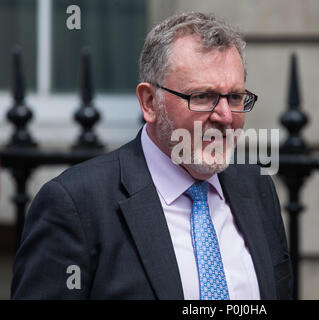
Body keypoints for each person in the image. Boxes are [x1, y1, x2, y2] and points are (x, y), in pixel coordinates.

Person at [11, 12, 293, 300]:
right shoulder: (75, 205)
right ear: (149, 102)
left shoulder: (256, 186)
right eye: (203, 97)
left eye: (234, 97)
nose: (224, 116)